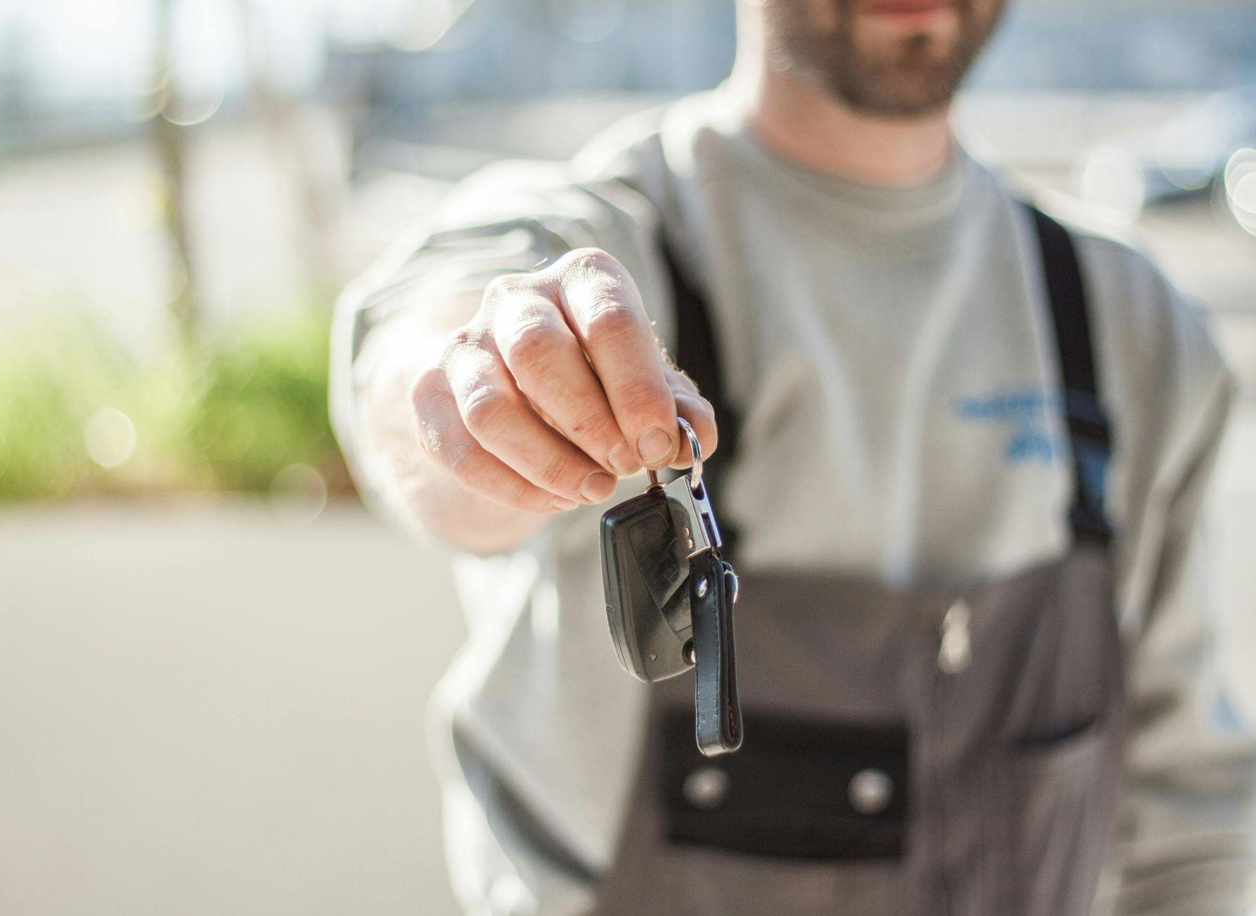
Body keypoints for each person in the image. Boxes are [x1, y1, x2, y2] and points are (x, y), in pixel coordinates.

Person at [331, 0, 1256, 912]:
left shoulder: (1132, 326)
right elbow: (424, 360)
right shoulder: (609, 236)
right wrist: (487, 393)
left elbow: (1189, 820)